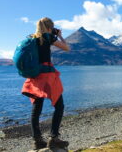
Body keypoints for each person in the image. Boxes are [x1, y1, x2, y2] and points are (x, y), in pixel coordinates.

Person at [21, 17, 70, 150]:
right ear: (50, 27)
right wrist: (59, 36)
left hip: (35, 76)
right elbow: (66, 48)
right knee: (59, 106)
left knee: (36, 108)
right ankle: (53, 138)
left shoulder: (31, 38)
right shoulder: (49, 38)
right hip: (47, 76)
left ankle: (37, 140)